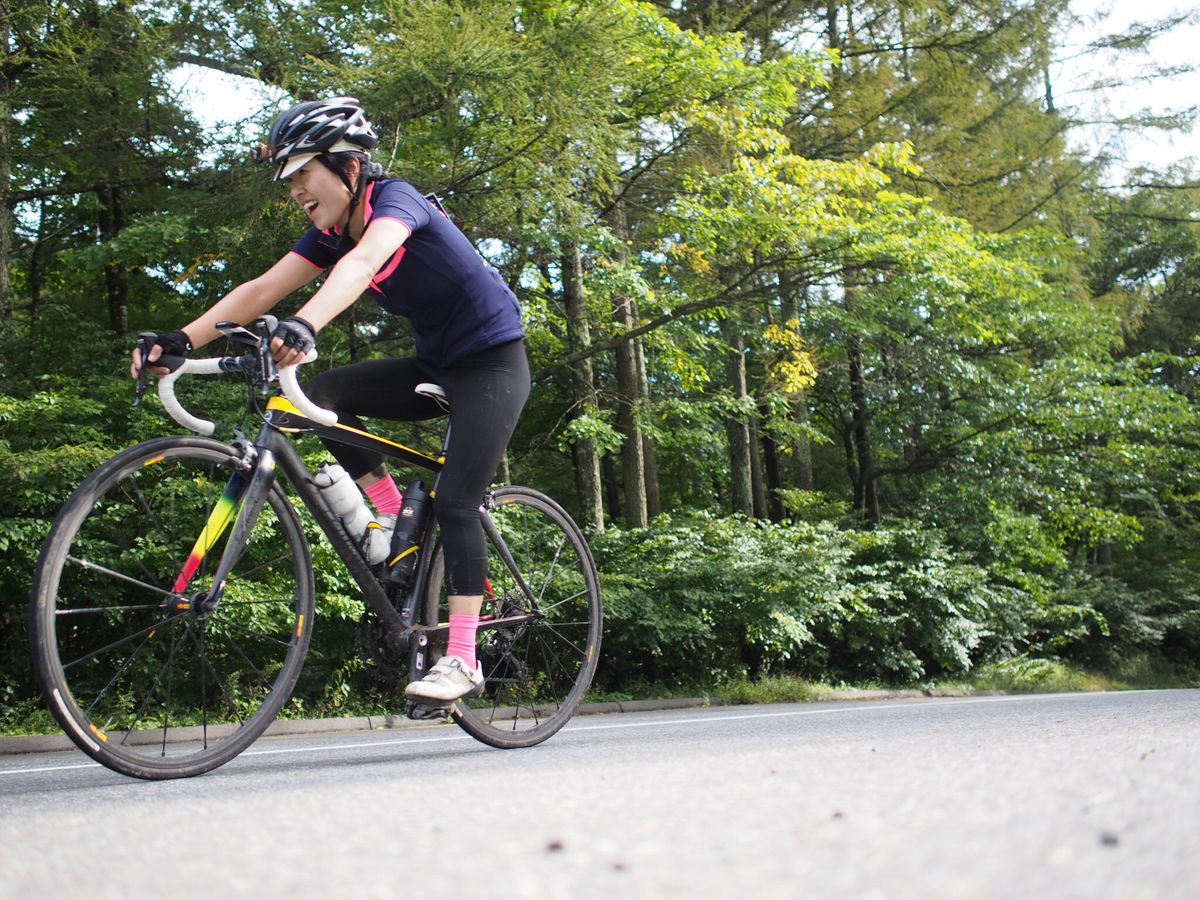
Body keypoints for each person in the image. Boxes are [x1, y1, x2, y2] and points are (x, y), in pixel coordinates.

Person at [130, 97, 530, 704]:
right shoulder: (330, 230)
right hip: (436, 363)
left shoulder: (396, 202)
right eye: (286, 180)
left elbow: (365, 260)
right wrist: (181, 340)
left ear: (346, 166)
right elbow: (262, 286)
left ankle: (465, 658)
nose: (294, 190)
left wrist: (306, 325)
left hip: (494, 365)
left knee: (456, 500)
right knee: (321, 397)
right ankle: (392, 518)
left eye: (301, 174)